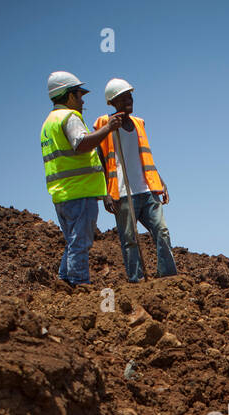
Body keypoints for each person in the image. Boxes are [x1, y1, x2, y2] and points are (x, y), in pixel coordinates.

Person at [41, 71, 128, 287]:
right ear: (69, 96)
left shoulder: (48, 123)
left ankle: (64, 282)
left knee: (73, 241)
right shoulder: (69, 117)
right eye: (79, 95)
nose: (82, 100)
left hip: (62, 193)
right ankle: (80, 285)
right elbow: (80, 144)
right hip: (79, 193)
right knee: (80, 242)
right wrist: (108, 128)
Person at [93, 78, 177, 282]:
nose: (128, 99)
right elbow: (100, 162)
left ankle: (168, 276)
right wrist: (105, 194)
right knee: (130, 239)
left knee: (162, 231)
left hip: (146, 190)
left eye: (129, 95)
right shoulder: (105, 124)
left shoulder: (139, 123)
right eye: (122, 98)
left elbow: (145, 157)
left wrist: (160, 180)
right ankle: (136, 280)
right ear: (112, 103)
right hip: (122, 193)